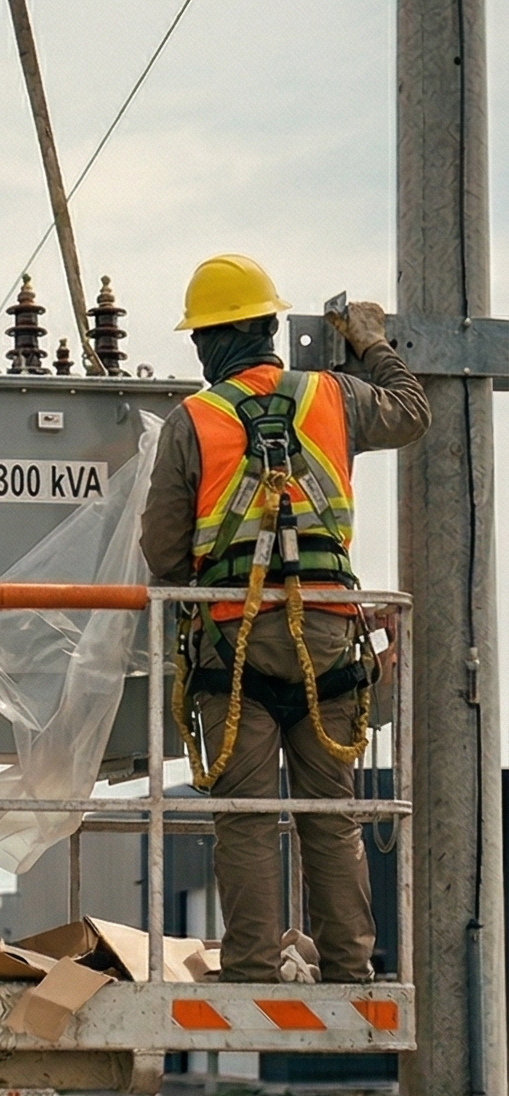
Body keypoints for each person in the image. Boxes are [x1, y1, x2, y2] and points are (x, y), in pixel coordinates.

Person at [140, 254, 429, 983]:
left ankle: (252, 970)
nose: (198, 349)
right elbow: (411, 411)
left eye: (200, 335)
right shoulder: (334, 396)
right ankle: (350, 968)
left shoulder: (194, 420)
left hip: (233, 641)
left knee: (244, 817)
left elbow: (163, 551)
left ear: (217, 339)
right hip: (328, 635)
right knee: (330, 813)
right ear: (268, 327)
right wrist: (372, 343)